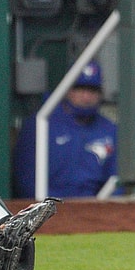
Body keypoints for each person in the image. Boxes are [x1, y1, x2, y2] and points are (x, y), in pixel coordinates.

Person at [13, 61, 119, 199]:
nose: (86, 97)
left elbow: (117, 183)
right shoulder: (41, 124)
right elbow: (26, 182)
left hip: (94, 209)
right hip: (48, 209)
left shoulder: (109, 129)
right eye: (79, 88)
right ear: (66, 89)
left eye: (92, 90)